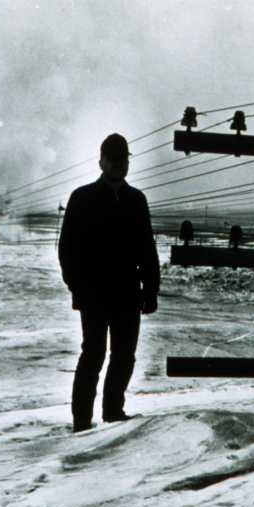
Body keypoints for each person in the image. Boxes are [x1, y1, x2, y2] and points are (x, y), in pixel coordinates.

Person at [58, 133, 160, 433]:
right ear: (100, 161)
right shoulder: (82, 198)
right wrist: (78, 287)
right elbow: (67, 250)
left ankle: (113, 412)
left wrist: (150, 289)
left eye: (123, 160)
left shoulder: (136, 200)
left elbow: (147, 248)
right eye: (113, 159)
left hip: (128, 294)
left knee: (124, 356)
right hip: (94, 295)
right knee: (94, 355)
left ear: (127, 163)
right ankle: (81, 421)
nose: (118, 165)